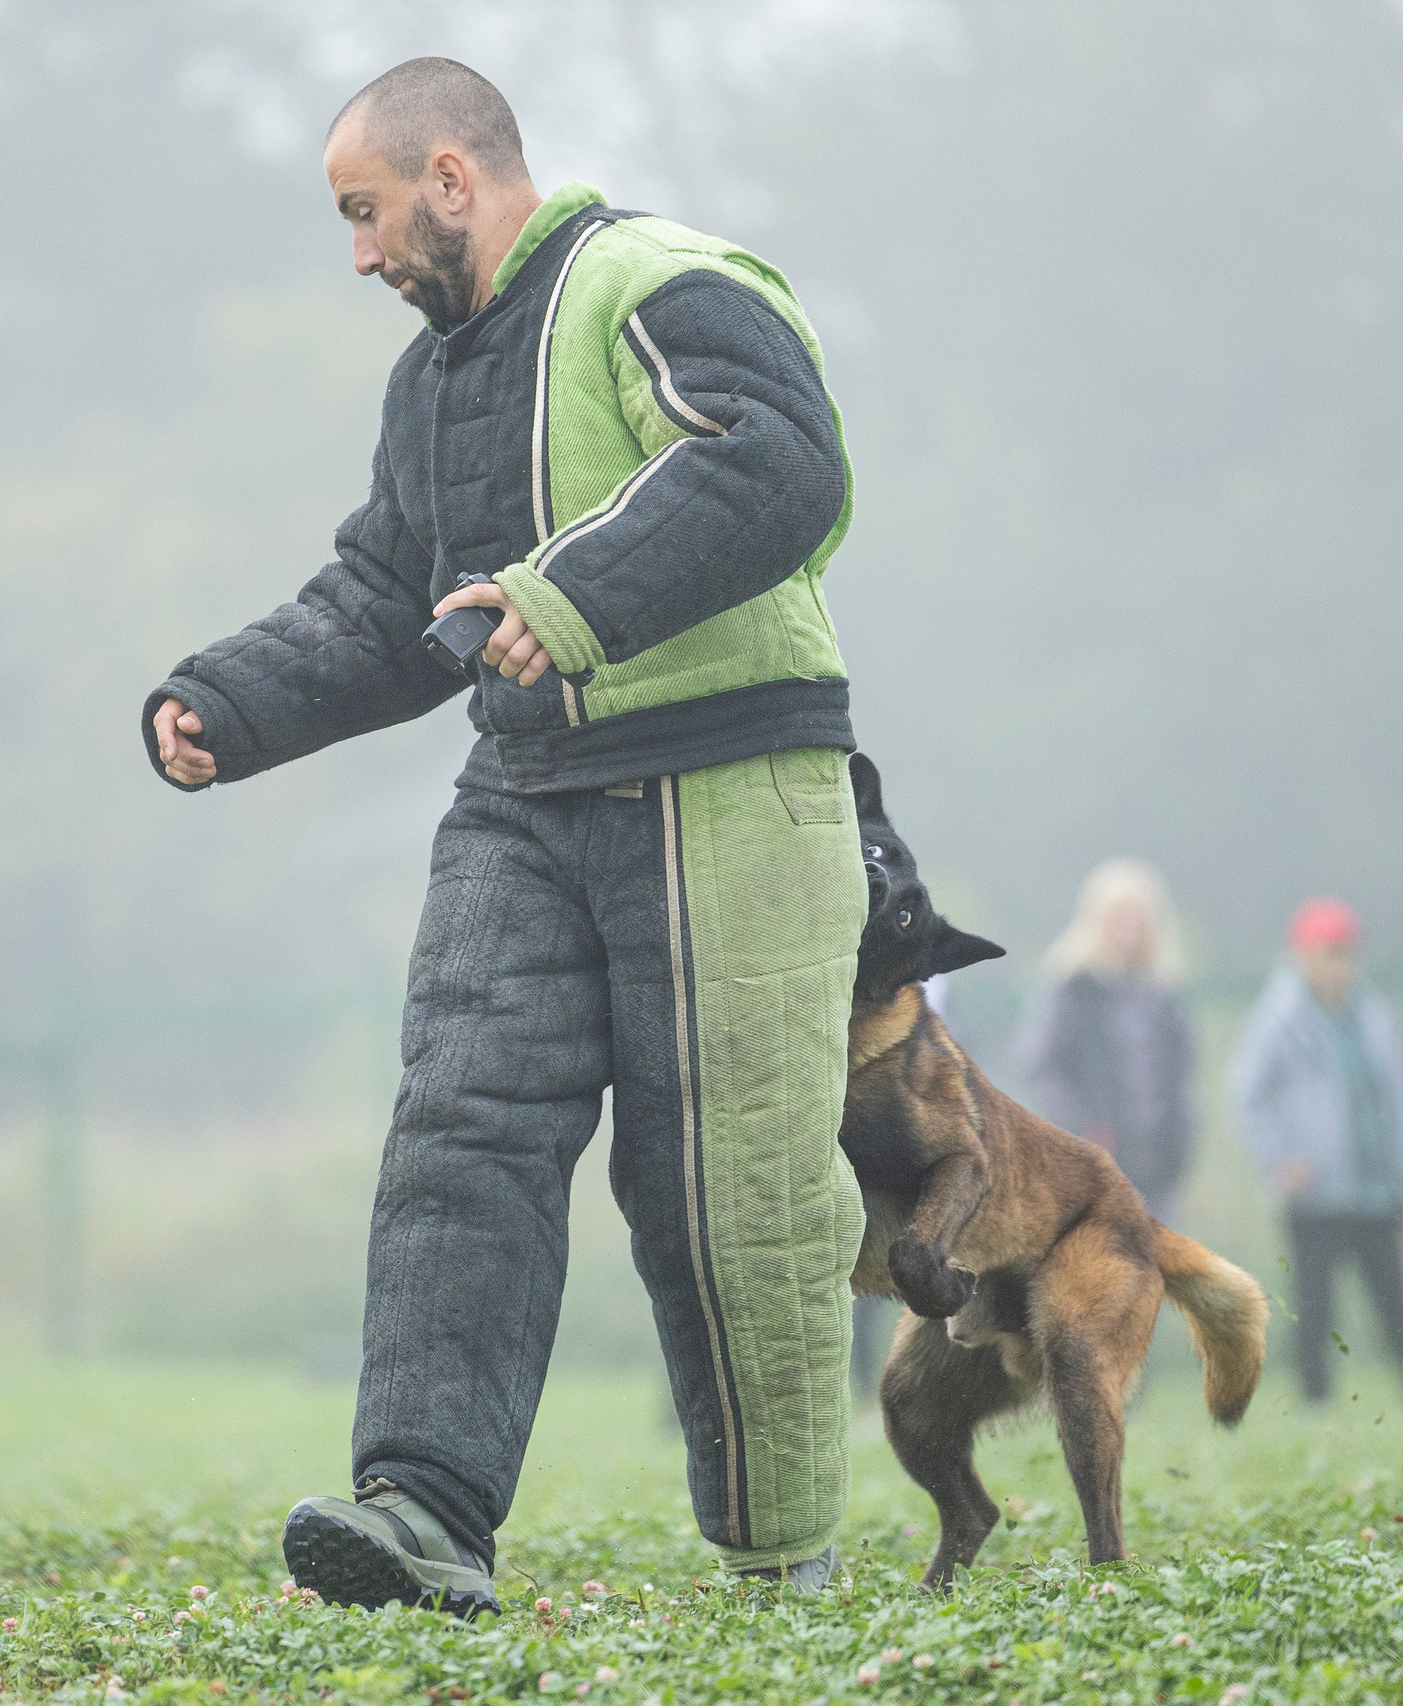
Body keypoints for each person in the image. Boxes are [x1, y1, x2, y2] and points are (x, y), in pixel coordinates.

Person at [143, 59, 865, 1609]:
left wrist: (567, 595)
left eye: (366, 211)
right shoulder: (434, 383)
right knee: (458, 1130)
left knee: (725, 1186)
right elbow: (388, 599)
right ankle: (422, 1512)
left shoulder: (655, 283)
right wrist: (225, 701)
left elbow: (782, 460)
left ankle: (780, 1557)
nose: (356, 255)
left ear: (453, 177)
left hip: (726, 780)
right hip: (525, 796)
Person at [1230, 898, 1403, 1404]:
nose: (1337, 963)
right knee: (1314, 1307)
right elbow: (1246, 1095)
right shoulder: (1278, 1019)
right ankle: (1313, 1403)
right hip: (1315, 1192)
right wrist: (1279, 1159)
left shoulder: (1375, 1014)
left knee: (1396, 1301)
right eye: (1326, 951)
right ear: (1301, 955)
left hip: (1375, 1186)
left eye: (1345, 951)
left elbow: (1399, 1095)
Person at [1009, 858, 1195, 1225]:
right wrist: (1082, 1128)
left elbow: (1180, 1079)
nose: (1128, 928)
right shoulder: (1072, 989)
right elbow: (1038, 1065)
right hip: (1093, 1167)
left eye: (1138, 918)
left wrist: (1179, 1145)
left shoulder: (1165, 997)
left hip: (1157, 1171)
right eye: (1118, 916)